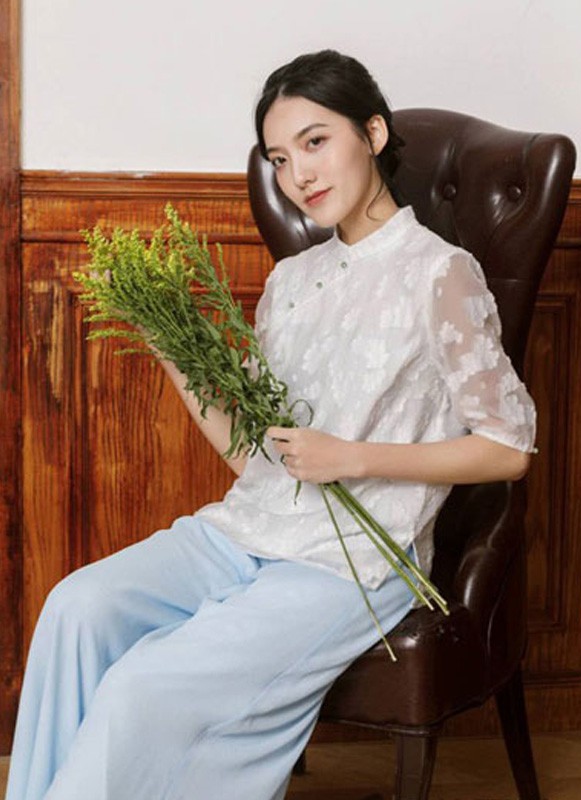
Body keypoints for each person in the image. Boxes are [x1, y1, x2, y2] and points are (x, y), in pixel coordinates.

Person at [6, 49, 537, 800]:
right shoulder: (292, 280)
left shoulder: (440, 271)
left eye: (315, 142)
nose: (298, 175)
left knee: (144, 689)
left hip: (351, 562)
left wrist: (351, 457)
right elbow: (250, 456)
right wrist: (171, 346)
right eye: (280, 158)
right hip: (244, 532)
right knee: (75, 608)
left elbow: (508, 449)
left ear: (373, 133)